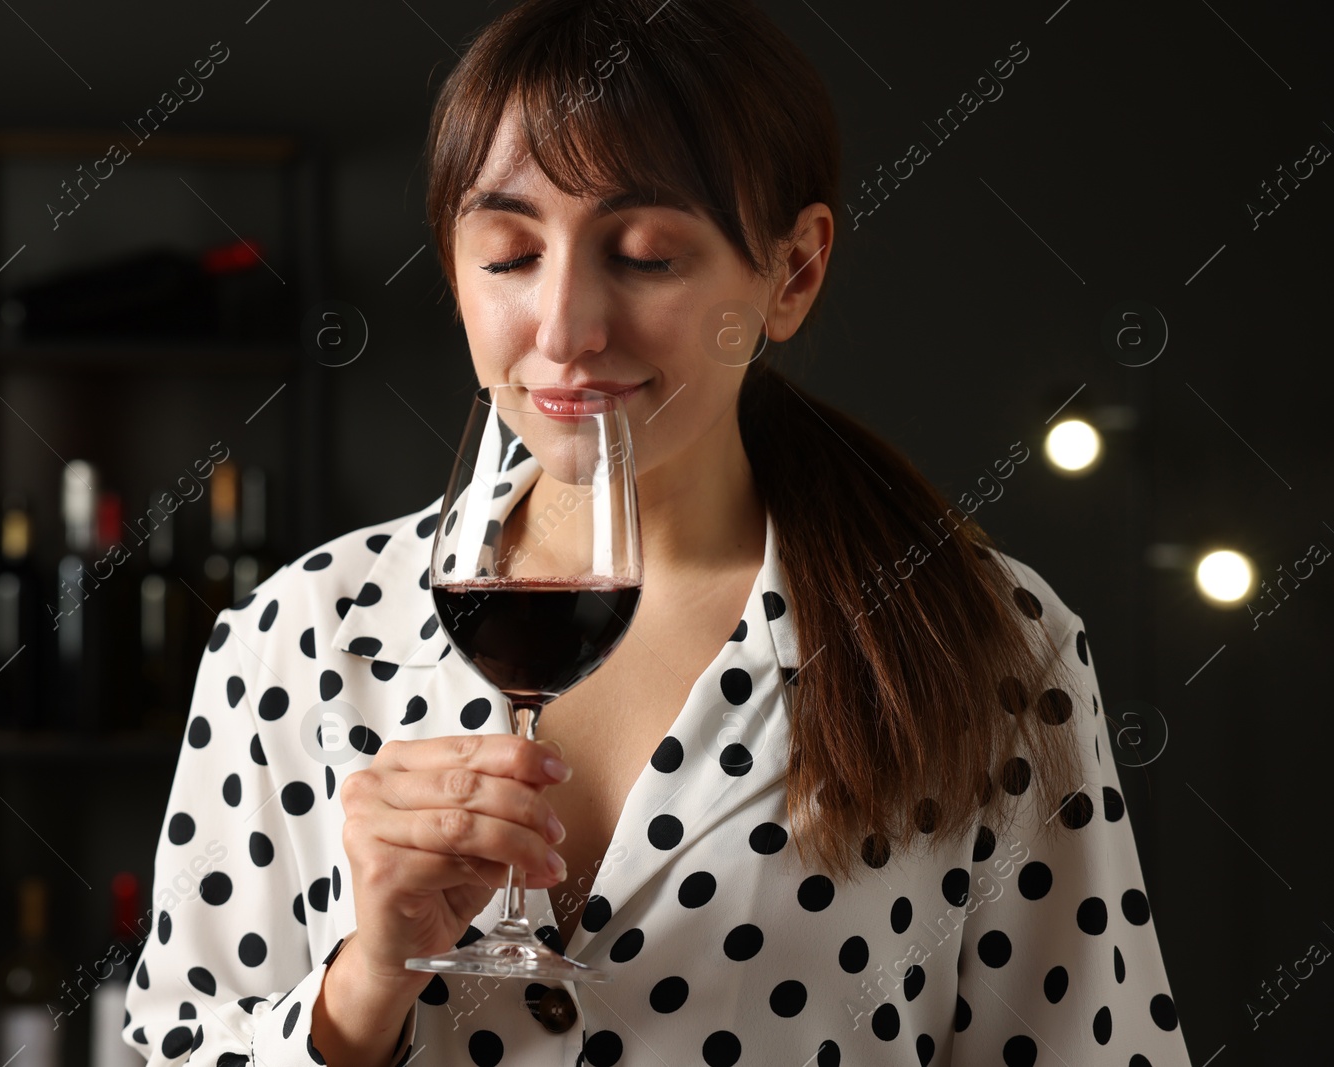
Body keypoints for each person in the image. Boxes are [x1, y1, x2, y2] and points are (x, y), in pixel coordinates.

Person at [123, 1, 1191, 1064]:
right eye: (506, 254)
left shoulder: (993, 641)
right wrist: (362, 987)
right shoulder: (300, 635)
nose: (564, 328)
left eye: (642, 255)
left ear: (792, 272)